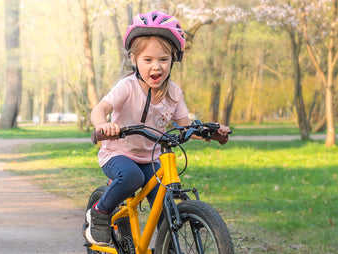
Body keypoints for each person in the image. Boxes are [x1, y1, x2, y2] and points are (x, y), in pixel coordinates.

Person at [83, 11, 231, 246]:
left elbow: (184, 125)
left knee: (165, 201)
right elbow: (99, 109)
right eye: (148, 59)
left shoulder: (174, 93)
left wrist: (209, 132)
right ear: (134, 59)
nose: (157, 67)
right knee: (132, 176)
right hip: (118, 154)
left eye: (163, 59)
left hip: (151, 156)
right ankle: (100, 212)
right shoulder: (128, 87)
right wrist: (103, 125)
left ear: (173, 60)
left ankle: (167, 247)